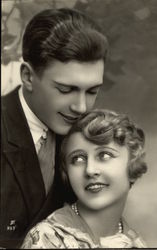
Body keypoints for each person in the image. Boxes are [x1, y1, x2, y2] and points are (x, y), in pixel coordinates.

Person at [1, 8, 108, 248]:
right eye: (65, 89)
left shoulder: (89, 138)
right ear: (28, 77)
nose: (81, 107)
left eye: (92, 91)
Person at [21, 109, 147, 248]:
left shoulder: (136, 243)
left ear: (133, 163)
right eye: (78, 159)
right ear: (66, 171)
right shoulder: (46, 238)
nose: (90, 170)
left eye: (104, 155)